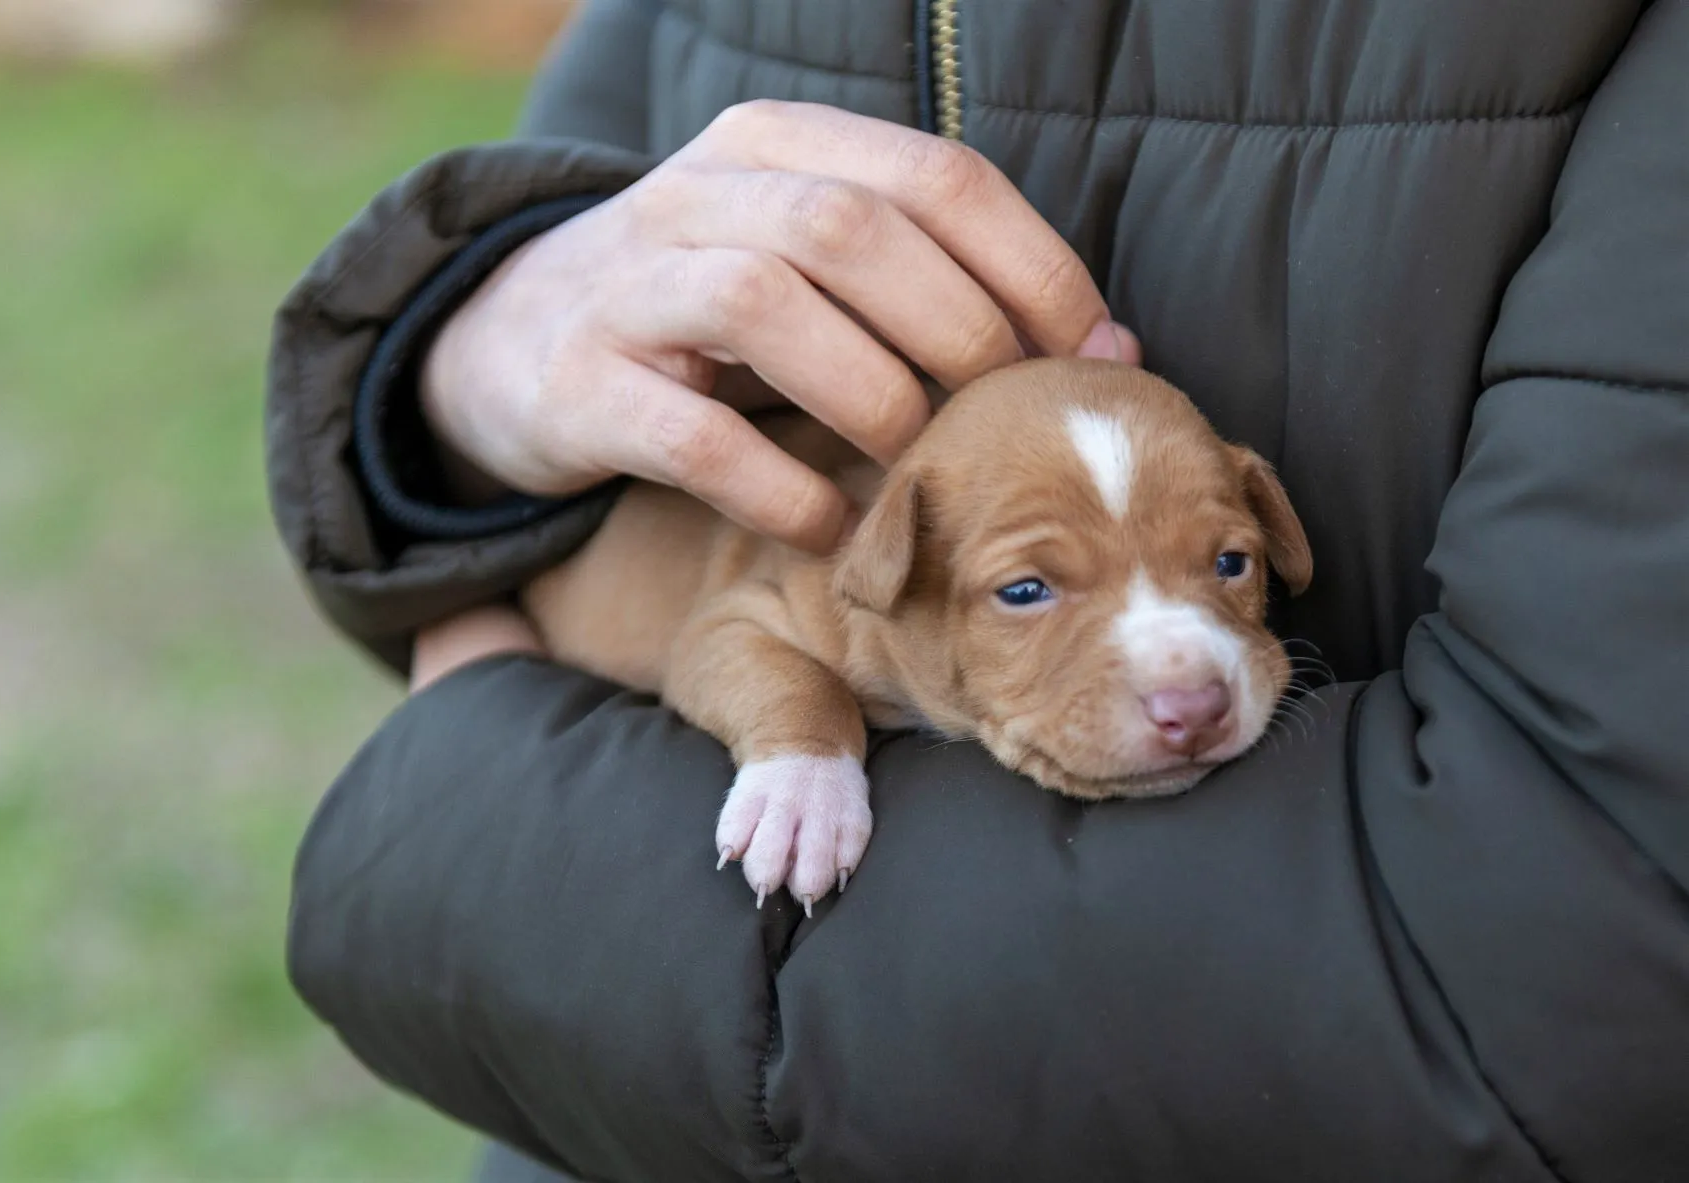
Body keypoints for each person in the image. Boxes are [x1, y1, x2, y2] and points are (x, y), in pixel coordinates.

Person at [266, 2, 1689, 1179]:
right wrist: (451, 362)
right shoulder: (855, 569)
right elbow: (735, 616)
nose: (1183, 668)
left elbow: (1553, 989)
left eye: (1228, 566)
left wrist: (465, 826)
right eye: (1029, 590)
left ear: (1268, 517)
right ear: (894, 570)